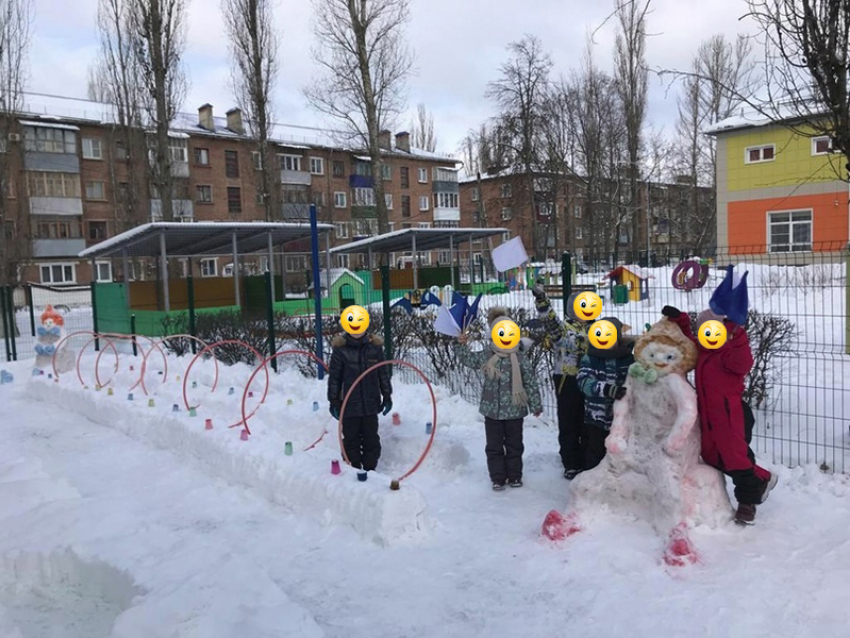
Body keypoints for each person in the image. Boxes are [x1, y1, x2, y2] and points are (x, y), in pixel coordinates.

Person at [662, 303, 777, 525]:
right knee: (713, 457)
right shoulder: (703, 351)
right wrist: (682, 321)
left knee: (736, 458)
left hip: (730, 416)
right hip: (708, 416)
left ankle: (747, 501)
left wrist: (736, 332)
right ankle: (762, 476)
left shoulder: (730, 355)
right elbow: (689, 343)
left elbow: (744, 361)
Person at [456, 307, 543, 491]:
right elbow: (468, 360)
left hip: (514, 411)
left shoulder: (520, 358)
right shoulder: (487, 356)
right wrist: (460, 344)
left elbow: (530, 382)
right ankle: (497, 478)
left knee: (514, 446)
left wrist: (535, 403)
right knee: (494, 447)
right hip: (492, 412)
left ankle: (515, 476)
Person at [531, 283, 591, 480]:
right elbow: (550, 321)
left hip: (590, 381)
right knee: (569, 422)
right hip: (568, 381)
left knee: (588, 423)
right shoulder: (564, 330)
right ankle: (571, 462)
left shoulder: (596, 328)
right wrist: (542, 299)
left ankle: (587, 459)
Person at [327, 327, 393, 472]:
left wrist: (387, 396)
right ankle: (354, 470)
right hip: (349, 404)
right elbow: (335, 378)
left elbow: (383, 374)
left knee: (371, 439)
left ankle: (370, 470)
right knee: (351, 439)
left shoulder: (374, 349)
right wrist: (334, 401)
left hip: (370, 403)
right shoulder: (341, 350)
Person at [576, 317, 635, 470]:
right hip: (596, 418)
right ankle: (592, 483)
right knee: (595, 452)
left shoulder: (628, 359)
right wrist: (607, 389)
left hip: (622, 420)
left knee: (620, 453)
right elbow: (583, 382)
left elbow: (635, 381)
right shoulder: (590, 358)